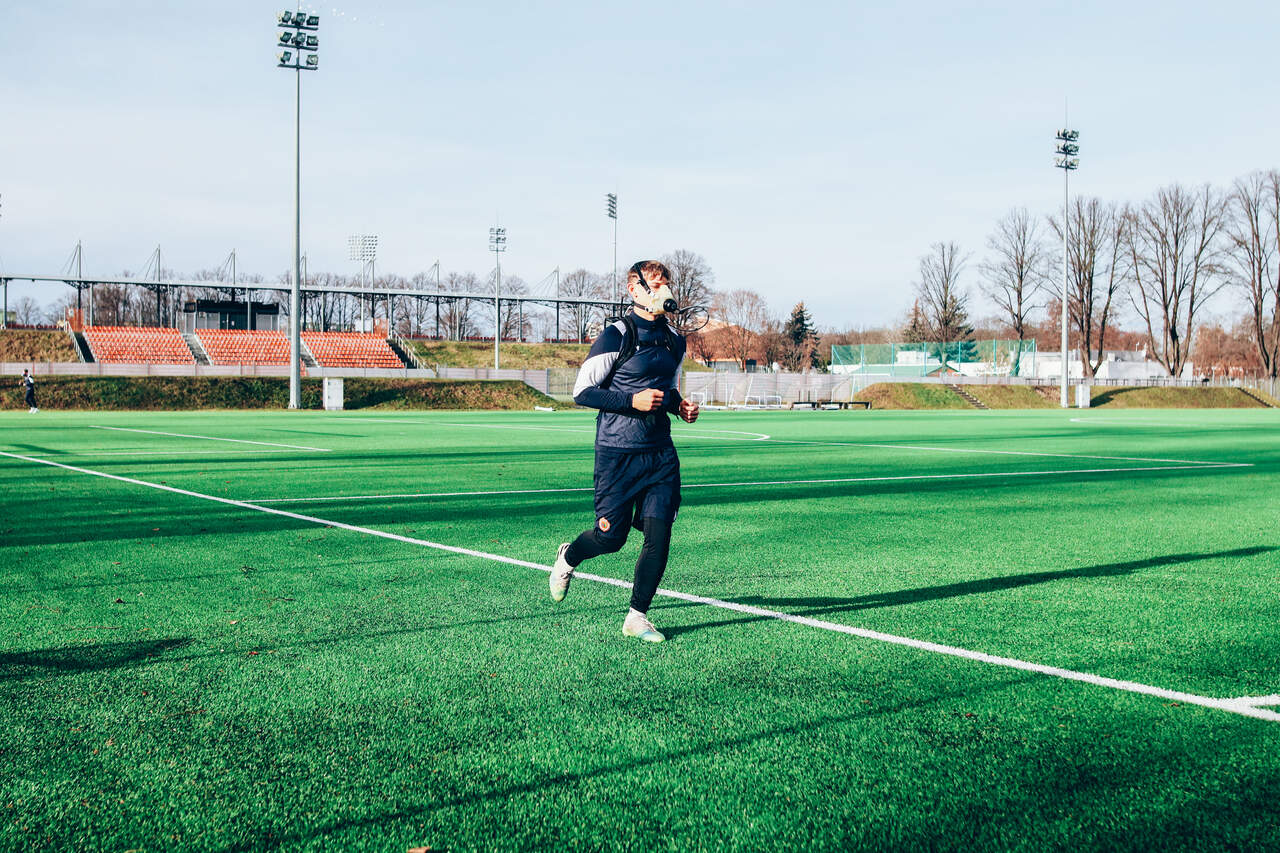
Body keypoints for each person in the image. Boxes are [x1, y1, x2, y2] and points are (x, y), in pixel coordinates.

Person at [549, 259, 699, 643]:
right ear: (635, 290)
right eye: (655, 284)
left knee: (659, 535)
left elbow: (668, 389)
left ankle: (637, 616)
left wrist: (680, 406)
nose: (665, 290)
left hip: (659, 454)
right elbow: (582, 392)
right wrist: (632, 401)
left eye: (666, 283)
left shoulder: (675, 340)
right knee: (611, 539)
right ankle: (568, 557)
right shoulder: (616, 335)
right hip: (617, 453)